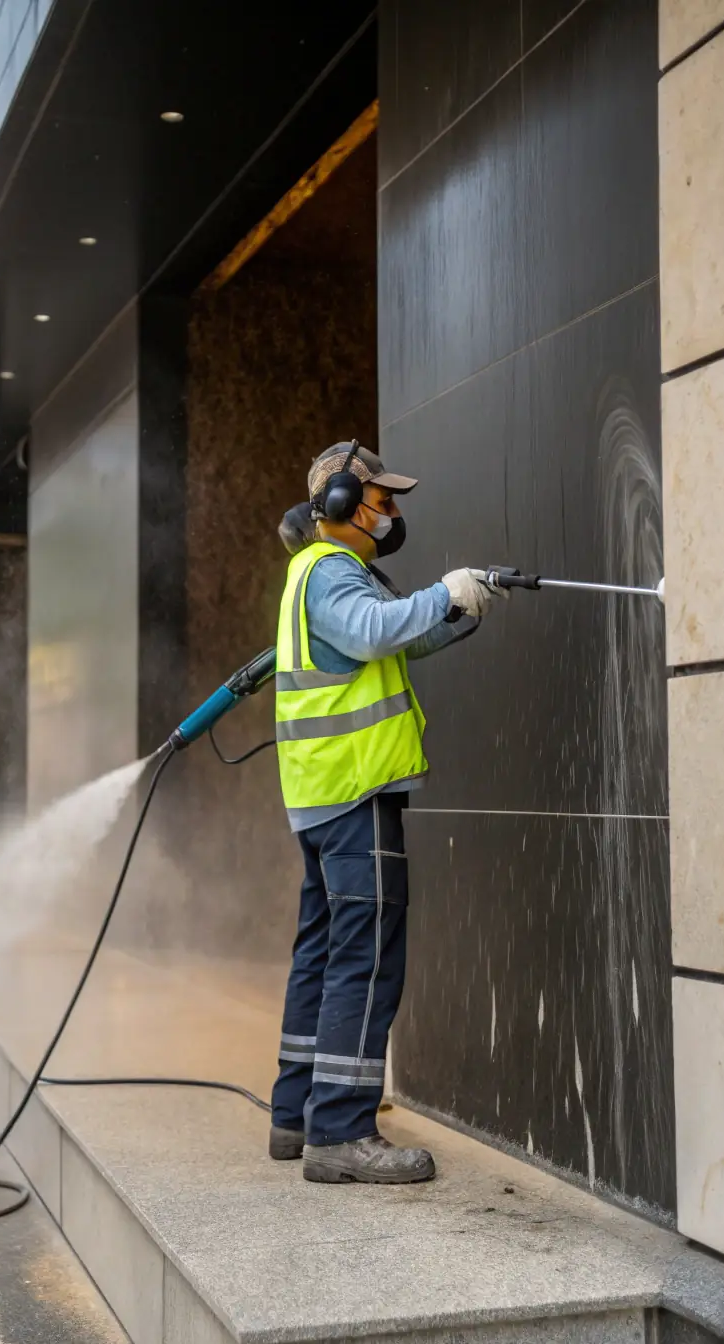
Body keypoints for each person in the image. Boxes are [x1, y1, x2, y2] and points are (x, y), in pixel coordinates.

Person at [270, 441, 507, 1184]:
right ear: (341, 503)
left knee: (322, 950)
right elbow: (374, 631)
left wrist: (460, 610)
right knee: (365, 958)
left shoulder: (320, 572)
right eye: (383, 498)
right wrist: (440, 592)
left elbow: (384, 646)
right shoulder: (331, 570)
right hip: (356, 791)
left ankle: (296, 1114)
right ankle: (339, 1129)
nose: (394, 511)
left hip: (323, 796)